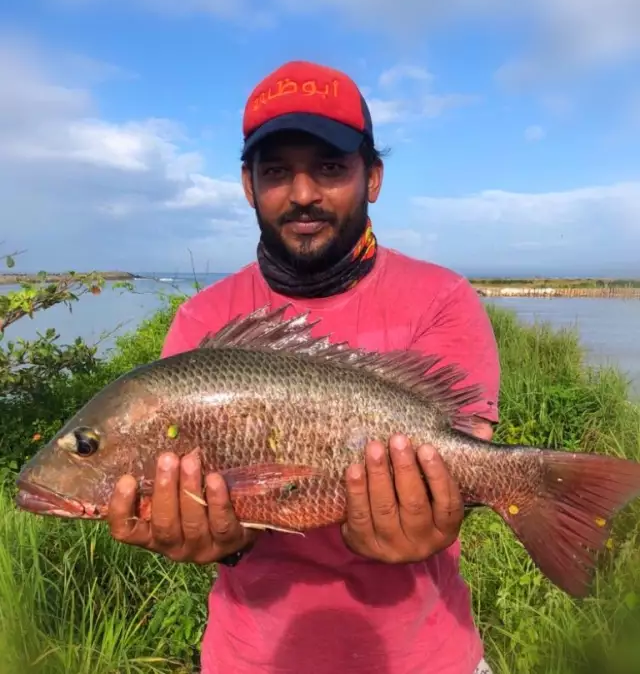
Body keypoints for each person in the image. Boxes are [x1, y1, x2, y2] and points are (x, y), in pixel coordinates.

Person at [107, 60, 501, 674]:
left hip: (426, 657)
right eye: (276, 171)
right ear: (247, 185)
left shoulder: (442, 299)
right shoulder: (200, 322)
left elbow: (458, 465)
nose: (303, 194)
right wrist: (222, 543)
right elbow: (210, 508)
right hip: (252, 658)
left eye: (330, 167)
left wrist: (433, 520)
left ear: (373, 177)